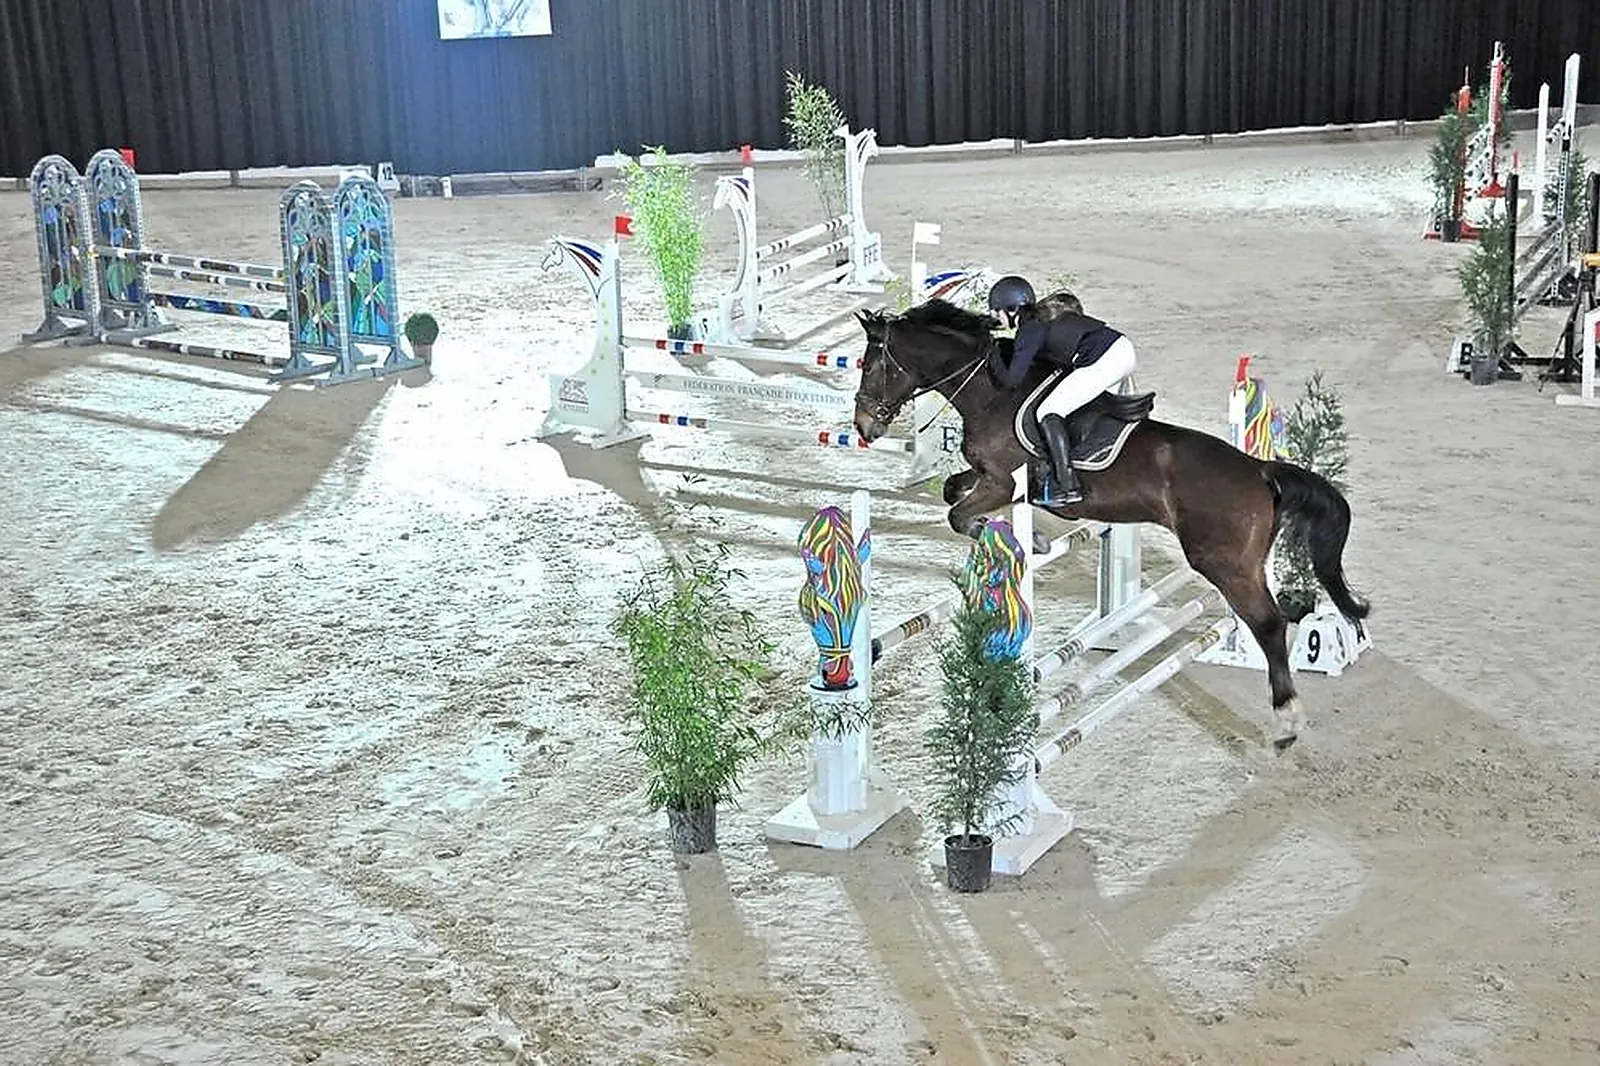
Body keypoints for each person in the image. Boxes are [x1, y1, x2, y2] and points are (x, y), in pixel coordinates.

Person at [985, 275, 1138, 505]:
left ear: (1013, 308)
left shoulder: (1030, 328)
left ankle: (1066, 486)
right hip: (1120, 348)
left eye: (996, 311)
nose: (994, 318)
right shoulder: (1039, 319)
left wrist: (991, 351)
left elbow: (1011, 380)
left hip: (1107, 359)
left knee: (1048, 411)